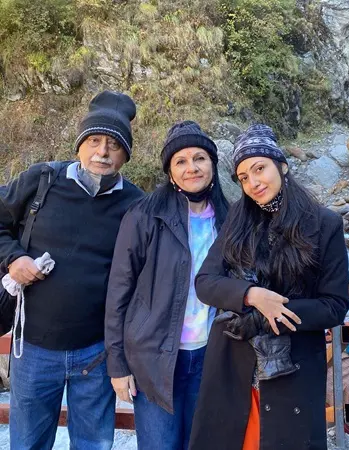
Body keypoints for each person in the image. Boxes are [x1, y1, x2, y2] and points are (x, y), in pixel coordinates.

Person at [189, 124, 349, 450]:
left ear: (282, 166)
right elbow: (205, 282)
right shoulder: (238, 219)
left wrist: (274, 312)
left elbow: (334, 305)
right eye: (244, 177)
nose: (253, 183)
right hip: (232, 363)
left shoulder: (323, 223)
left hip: (292, 370)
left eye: (259, 169)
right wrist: (251, 295)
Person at [0, 90, 143, 449]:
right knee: (28, 444)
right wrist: (14, 257)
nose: (103, 152)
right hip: (33, 348)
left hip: (96, 355)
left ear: (126, 154)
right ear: (79, 144)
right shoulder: (42, 180)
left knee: (93, 445)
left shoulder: (136, 204)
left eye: (114, 144)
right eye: (94, 140)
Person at [105, 120, 229, 450]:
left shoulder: (229, 218)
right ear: (170, 171)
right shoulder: (145, 215)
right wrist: (117, 364)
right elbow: (119, 290)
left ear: (212, 164)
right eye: (181, 161)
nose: (192, 168)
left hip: (210, 356)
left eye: (200, 158)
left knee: (199, 443)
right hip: (155, 359)